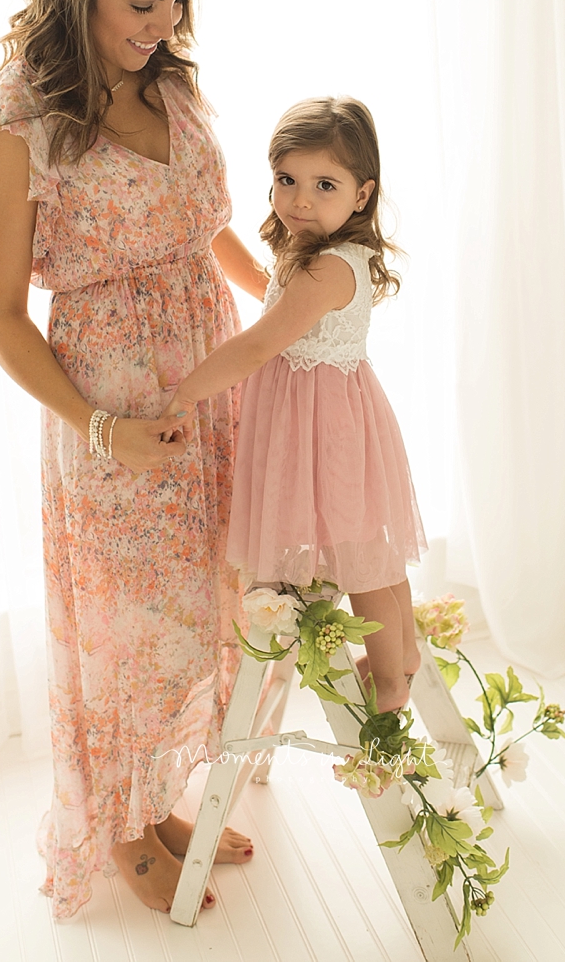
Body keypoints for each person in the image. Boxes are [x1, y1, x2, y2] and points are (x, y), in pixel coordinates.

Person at [0, 0, 270, 918]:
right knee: (124, 622)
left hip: (210, 368)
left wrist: (277, 300)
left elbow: (207, 218)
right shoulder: (16, 119)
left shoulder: (169, 79)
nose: (164, 22)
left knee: (193, 603)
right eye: (142, 2)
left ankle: (164, 802)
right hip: (112, 403)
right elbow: (1, 312)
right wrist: (104, 430)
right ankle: (125, 829)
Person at [163, 97, 428, 713]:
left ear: (362, 195)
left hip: (326, 431)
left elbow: (259, 342)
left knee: (364, 560)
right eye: (287, 181)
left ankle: (393, 676)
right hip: (320, 419)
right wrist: (204, 230)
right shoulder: (315, 256)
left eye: (324, 185)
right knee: (367, 554)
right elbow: (268, 289)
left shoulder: (330, 268)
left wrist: (186, 392)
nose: (301, 201)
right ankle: (402, 653)